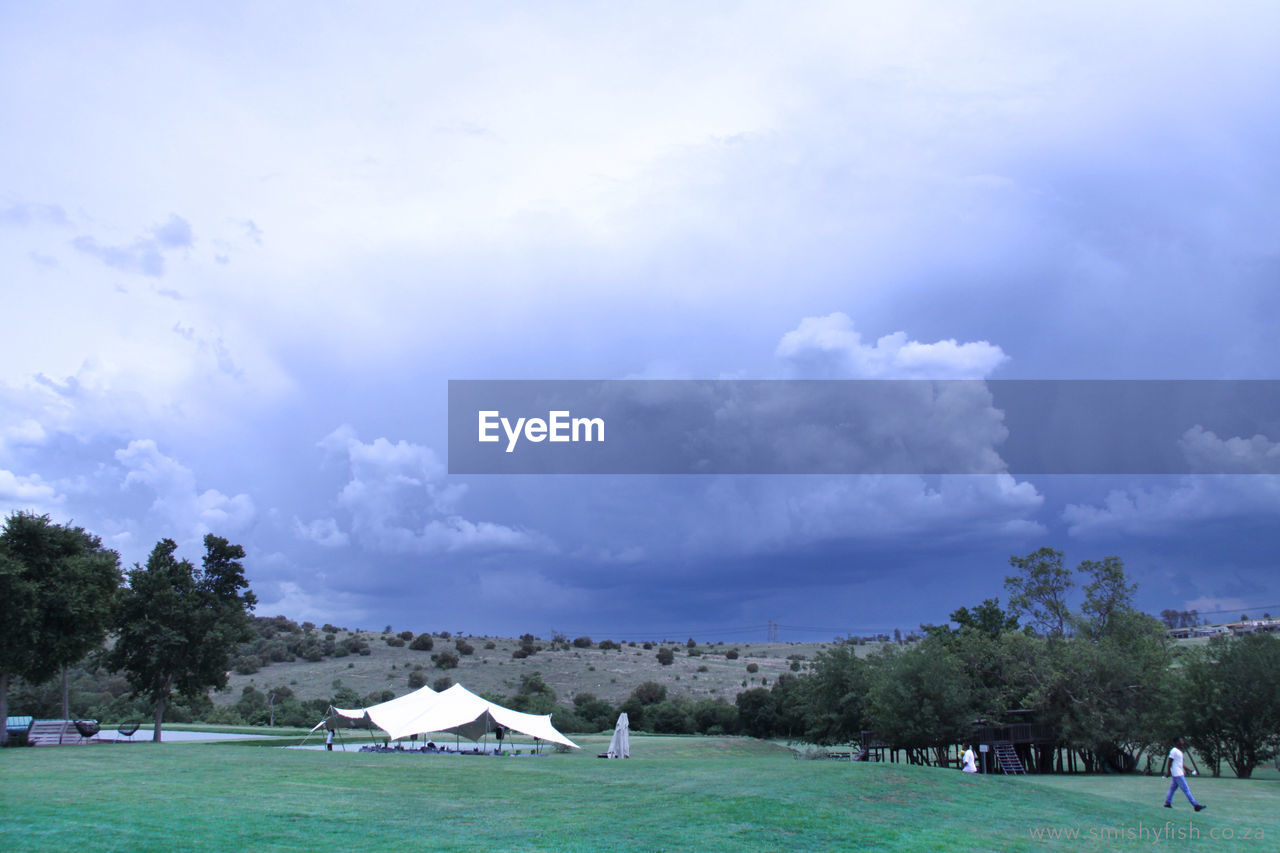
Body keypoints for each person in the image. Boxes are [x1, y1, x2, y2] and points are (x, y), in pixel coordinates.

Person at [1163, 737, 1205, 811]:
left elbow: (1181, 764)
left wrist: (1190, 770)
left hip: (1178, 773)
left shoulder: (1179, 751)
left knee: (1172, 789)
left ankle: (1167, 803)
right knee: (1186, 789)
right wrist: (1168, 772)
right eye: (1181, 741)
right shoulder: (1174, 751)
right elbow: (1169, 761)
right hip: (1177, 773)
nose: (1183, 742)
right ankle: (1196, 806)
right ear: (1177, 742)